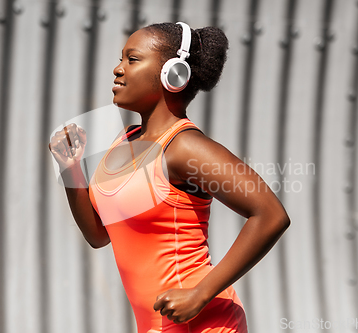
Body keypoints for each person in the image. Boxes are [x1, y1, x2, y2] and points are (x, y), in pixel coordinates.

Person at [49, 22, 290, 333]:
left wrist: (200, 293)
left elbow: (271, 215)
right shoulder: (125, 141)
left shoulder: (185, 147)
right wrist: (71, 169)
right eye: (121, 58)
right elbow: (98, 235)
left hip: (203, 324)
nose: (117, 69)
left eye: (132, 59)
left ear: (173, 73)